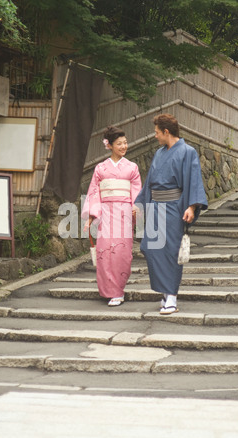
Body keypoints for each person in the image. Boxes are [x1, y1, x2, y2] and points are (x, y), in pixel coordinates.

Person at [135, 114, 208, 315]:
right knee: (151, 249)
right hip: (155, 206)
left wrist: (191, 207)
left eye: (157, 132)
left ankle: (172, 296)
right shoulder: (159, 153)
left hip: (174, 207)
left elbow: (193, 180)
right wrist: (139, 205)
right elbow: (149, 181)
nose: (155, 135)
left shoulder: (188, 152)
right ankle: (164, 292)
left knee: (171, 252)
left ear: (166, 132)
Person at [82, 126, 142, 307]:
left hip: (124, 212)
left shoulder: (132, 167)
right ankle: (107, 290)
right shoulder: (100, 168)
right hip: (106, 213)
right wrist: (93, 215)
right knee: (104, 250)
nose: (124, 146)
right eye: (119, 144)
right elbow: (94, 193)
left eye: (125, 143)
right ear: (109, 145)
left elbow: (136, 190)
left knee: (122, 253)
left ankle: (118, 291)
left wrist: (135, 207)